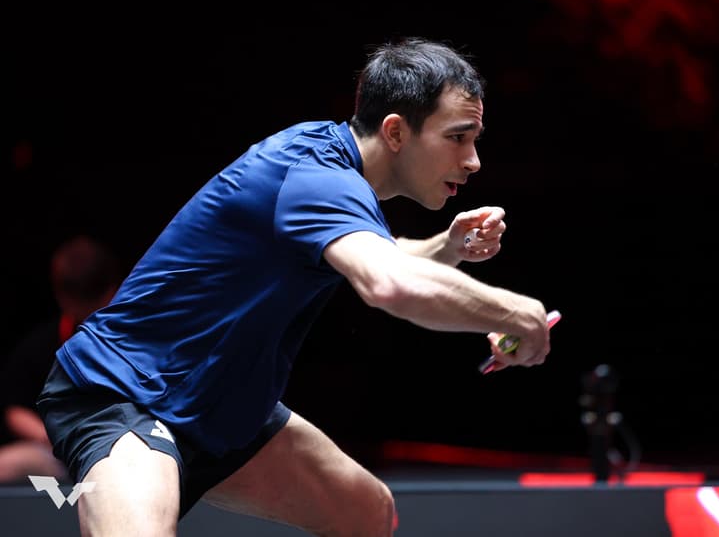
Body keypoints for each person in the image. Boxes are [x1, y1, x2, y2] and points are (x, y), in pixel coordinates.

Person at [36, 37, 553, 536]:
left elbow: (383, 257)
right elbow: (388, 283)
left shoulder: (332, 172)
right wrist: (518, 313)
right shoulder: (316, 177)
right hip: (123, 394)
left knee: (366, 513)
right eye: (458, 137)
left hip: (216, 404)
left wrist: (447, 248)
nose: (473, 160)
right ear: (396, 132)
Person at [0, 234, 122, 483]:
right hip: (58, 454)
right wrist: (48, 435)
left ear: (113, 290)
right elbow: (15, 409)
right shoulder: (40, 345)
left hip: (123, 453)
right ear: (61, 296)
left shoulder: (136, 340)